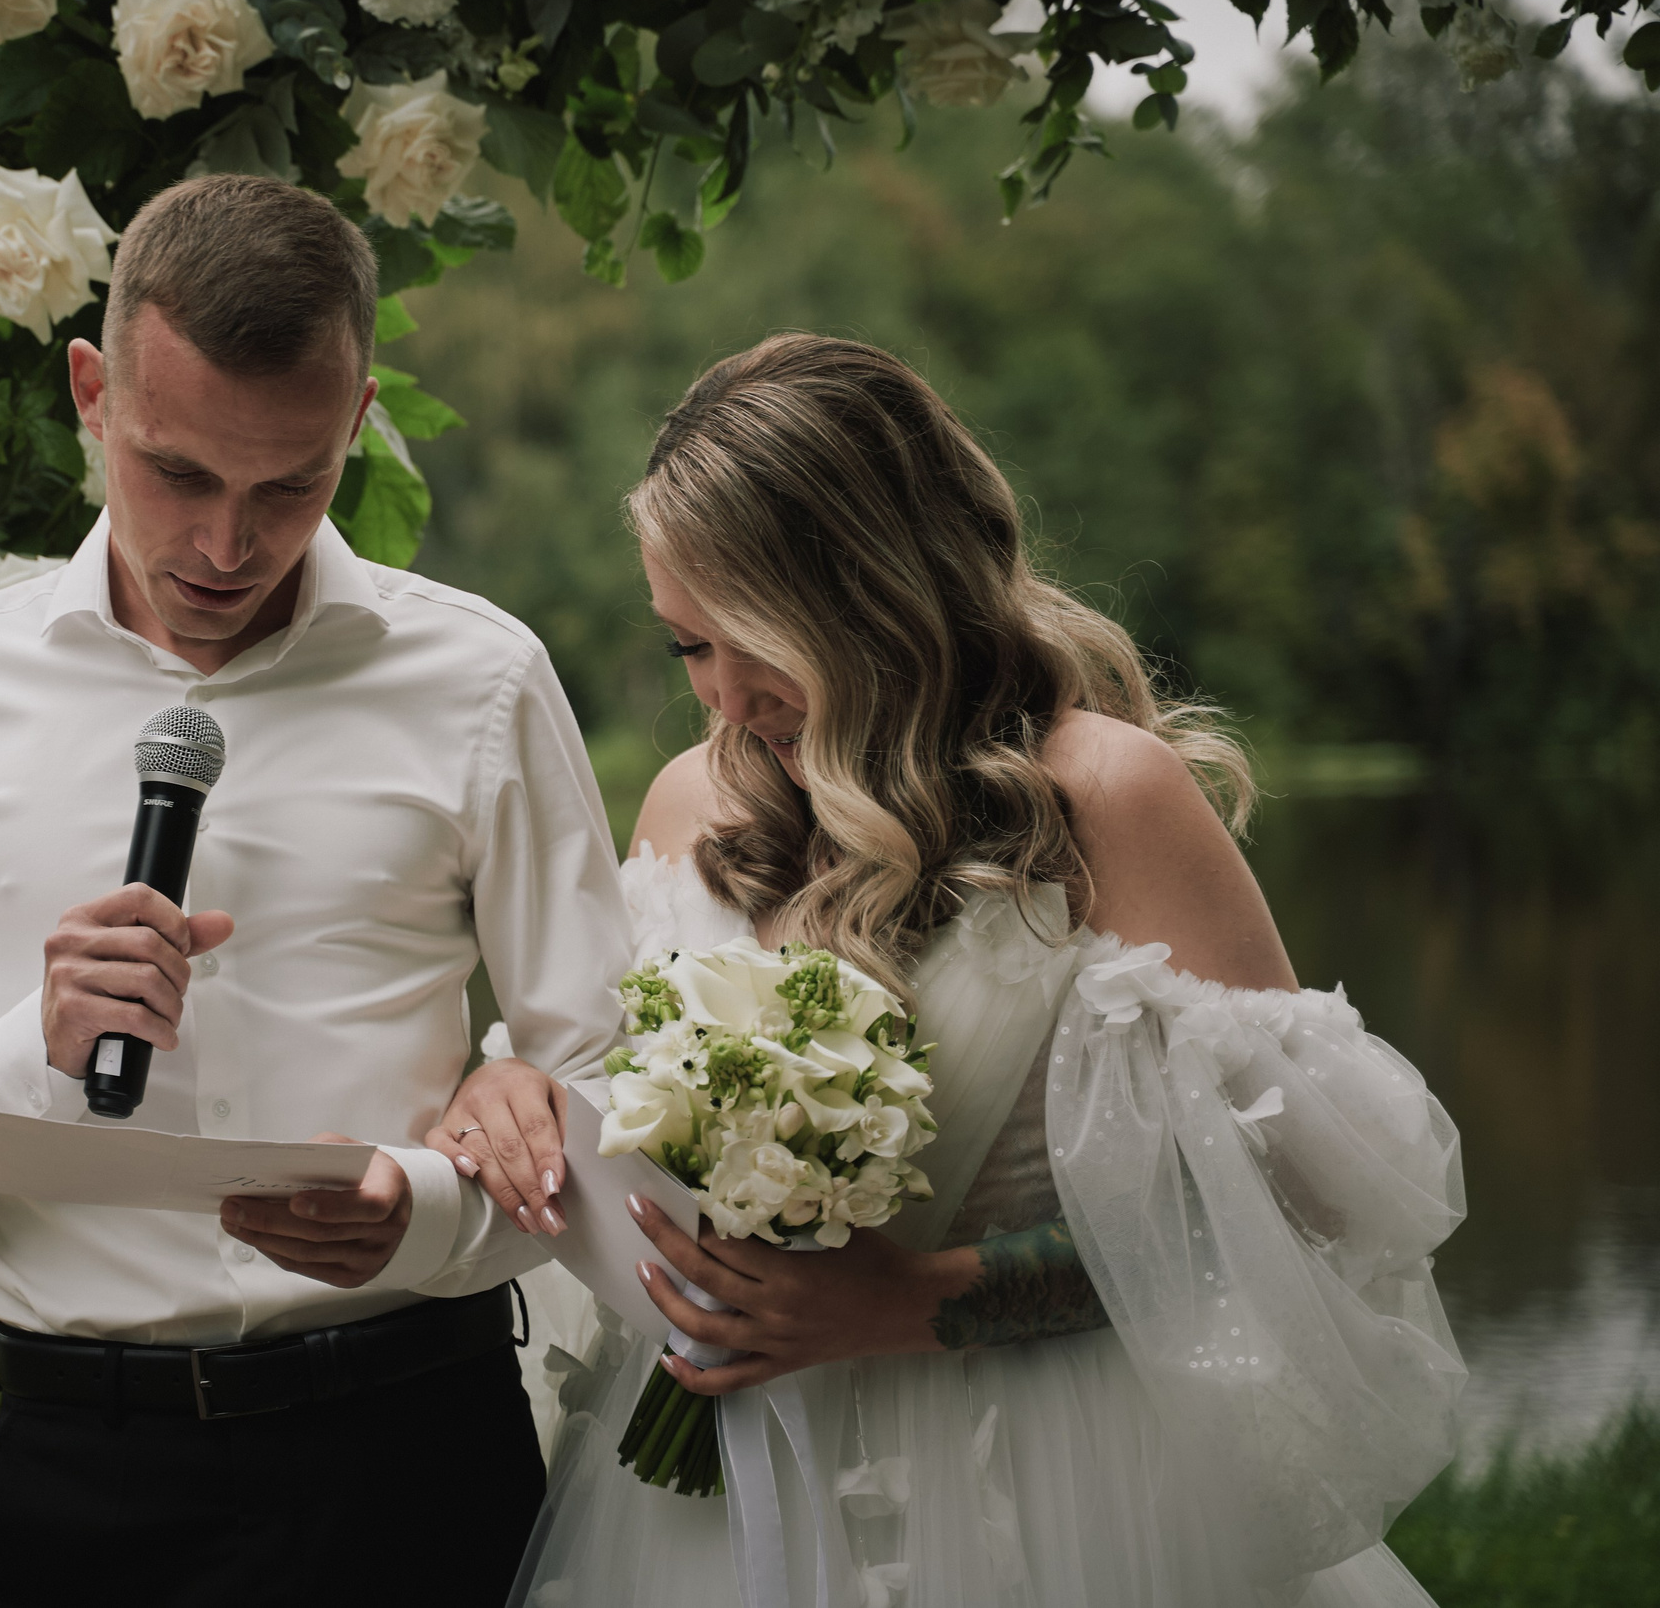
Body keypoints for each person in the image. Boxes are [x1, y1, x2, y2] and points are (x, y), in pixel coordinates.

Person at [437, 334, 1468, 1608]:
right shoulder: (686, 802)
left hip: (1046, 1486)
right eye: (687, 649)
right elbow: (592, 1086)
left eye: (756, 640)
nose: (727, 695)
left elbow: (1308, 1196)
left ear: (872, 591)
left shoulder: (1104, 796)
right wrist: (507, 1100)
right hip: (722, 1494)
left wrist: (919, 1302)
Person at [0, 174, 633, 1608]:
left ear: (355, 424)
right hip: (77, 1484)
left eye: (290, 484)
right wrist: (18, 1047)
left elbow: (603, 1076)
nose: (226, 546)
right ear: (93, 393)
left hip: (416, 1467)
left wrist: (418, 1206)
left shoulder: (481, 680)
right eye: (179, 472)